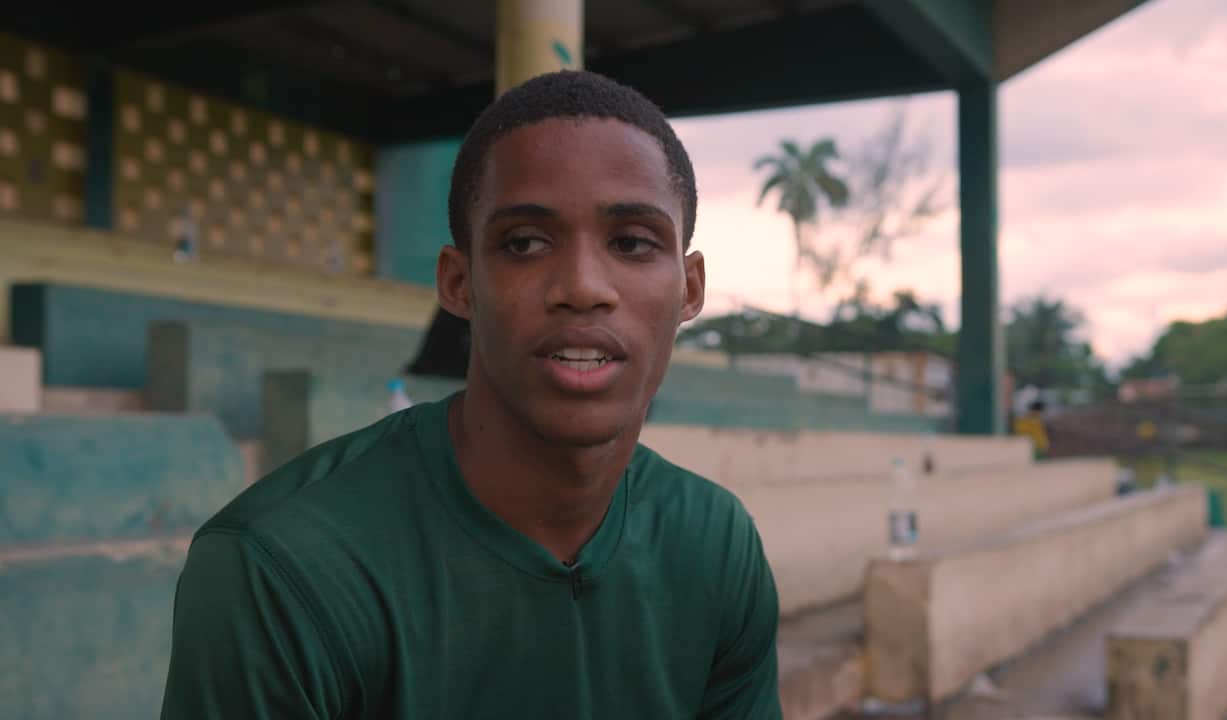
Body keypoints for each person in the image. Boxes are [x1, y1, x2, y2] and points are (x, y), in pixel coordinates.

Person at [160, 70, 781, 719]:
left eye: (631, 242)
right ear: (459, 284)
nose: (582, 285)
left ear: (689, 289)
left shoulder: (714, 543)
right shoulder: (281, 569)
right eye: (525, 243)